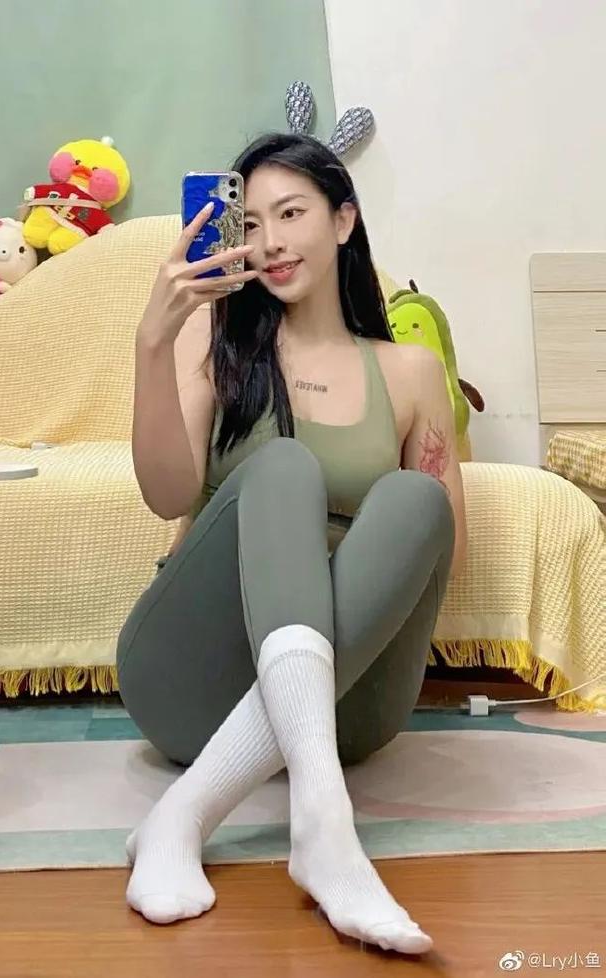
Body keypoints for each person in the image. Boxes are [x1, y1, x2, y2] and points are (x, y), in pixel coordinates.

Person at [117, 132, 467, 954]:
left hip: (351, 708)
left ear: (343, 221)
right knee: (281, 467)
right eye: (252, 222)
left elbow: (442, 555)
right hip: (193, 684)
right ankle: (324, 820)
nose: (269, 241)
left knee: (418, 496)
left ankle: (186, 814)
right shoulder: (216, 347)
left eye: (291, 213)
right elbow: (166, 497)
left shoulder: (410, 372)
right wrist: (154, 342)